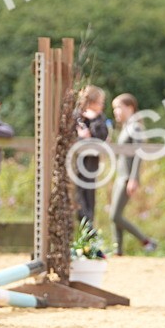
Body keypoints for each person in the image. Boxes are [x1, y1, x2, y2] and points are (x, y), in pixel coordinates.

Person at [108, 93, 157, 255]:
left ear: (130, 108)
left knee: (115, 216)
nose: (116, 112)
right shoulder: (125, 127)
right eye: (114, 109)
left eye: (118, 108)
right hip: (120, 176)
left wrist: (134, 178)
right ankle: (118, 250)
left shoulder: (135, 127)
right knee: (114, 215)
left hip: (127, 177)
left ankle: (146, 241)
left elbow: (139, 153)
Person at [72, 85, 109, 228]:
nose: (102, 106)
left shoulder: (98, 118)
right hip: (75, 167)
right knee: (79, 203)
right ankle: (87, 238)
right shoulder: (76, 116)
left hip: (91, 167)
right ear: (91, 102)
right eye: (100, 102)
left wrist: (95, 120)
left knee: (89, 203)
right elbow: (72, 140)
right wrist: (83, 139)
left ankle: (89, 242)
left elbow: (101, 138)